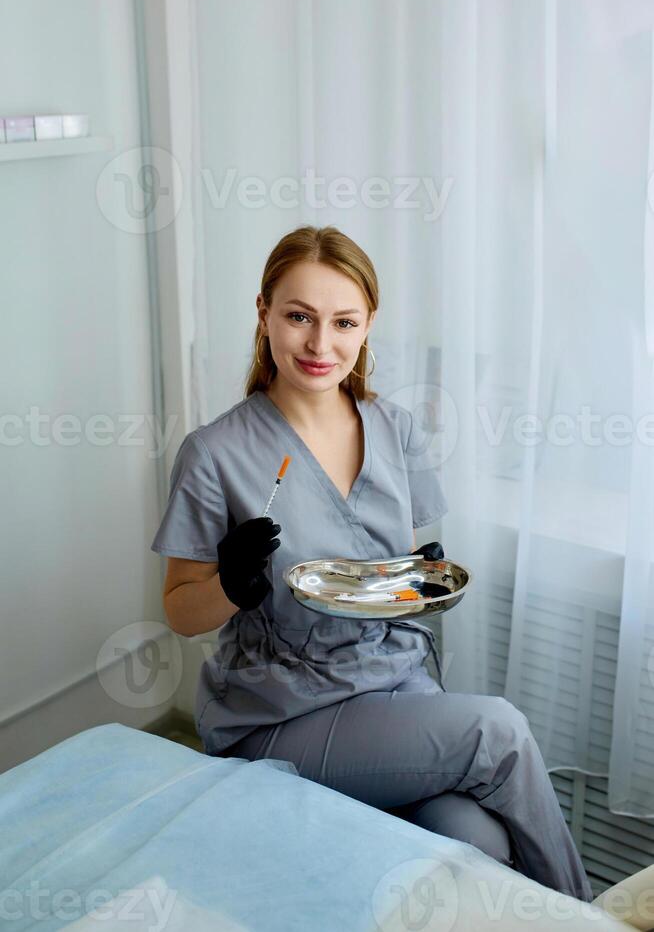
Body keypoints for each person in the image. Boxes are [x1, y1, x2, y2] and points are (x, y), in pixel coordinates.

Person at [151, 225, 593, 902]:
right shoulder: (214, 453)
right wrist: (232, 587)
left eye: (342, 322)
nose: (319, 344)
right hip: (277, 712)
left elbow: (391, 565)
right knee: (496, 731)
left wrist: (422, 574)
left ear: (368, 326)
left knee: (476, 842)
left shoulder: (396, 428)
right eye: (298, 316)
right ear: (264, 312)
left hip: (390, 682)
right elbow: (180, 610)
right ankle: (592, 920)